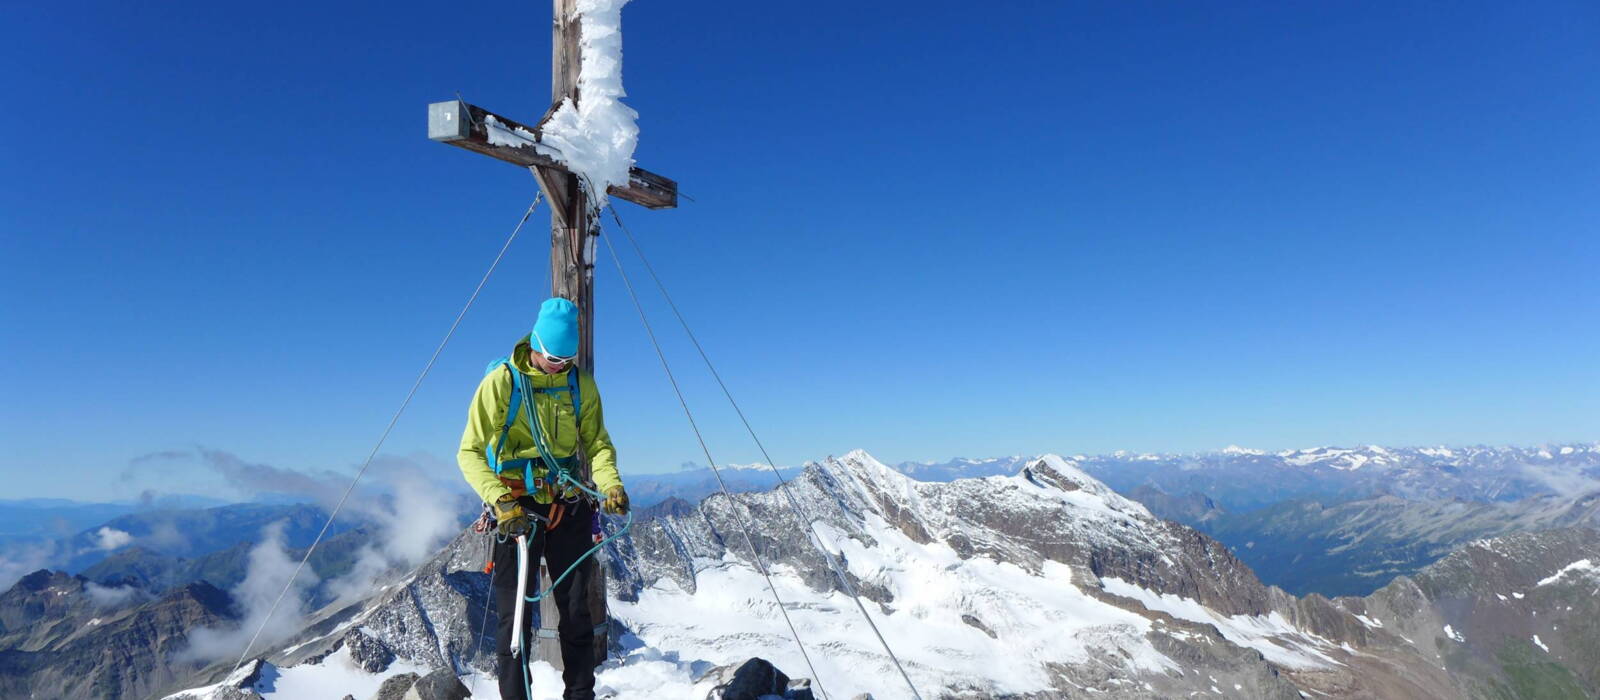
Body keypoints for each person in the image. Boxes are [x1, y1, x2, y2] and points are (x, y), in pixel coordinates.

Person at [457, 297, 629, 700]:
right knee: (514, 619)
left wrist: (611, 484)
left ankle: (580, 694)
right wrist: (500, 501)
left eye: (567, 359)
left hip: (566, 503)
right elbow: (468, 451)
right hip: (515, 507)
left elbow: (598, 444)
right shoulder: (502, 381)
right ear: (535, 343)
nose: (559, 366)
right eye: (553, 358)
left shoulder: (578, 383)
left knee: (575, 610)